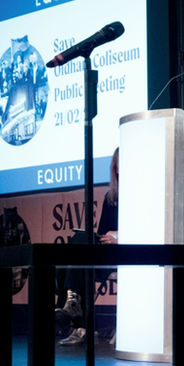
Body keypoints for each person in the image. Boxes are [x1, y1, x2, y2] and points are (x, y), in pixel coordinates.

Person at [55, 147, 120, 345]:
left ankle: (76, 319)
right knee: (78, 244)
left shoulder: (144, 195)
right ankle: (73, 304)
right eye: (118, 166)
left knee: (80, 259)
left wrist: (120, 237)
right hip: (107, 252)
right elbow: (100, 232)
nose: (121, 170)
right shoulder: (111, 198)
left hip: (130, 252)